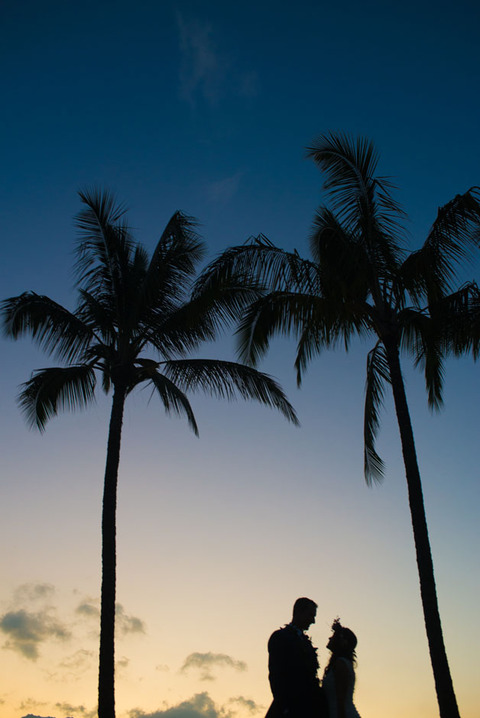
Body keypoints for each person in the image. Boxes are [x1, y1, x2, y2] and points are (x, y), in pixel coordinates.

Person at [266, 597, 327, 718]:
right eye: (310, 615)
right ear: (298, 612)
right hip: (289, 707)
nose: (313, 621)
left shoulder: (305, 642)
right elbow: (275, 675)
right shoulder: (280, 637)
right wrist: (285, 707)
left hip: (307, 707)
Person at [322, 618, 361, 718]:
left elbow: (341, 700)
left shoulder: (341, 664)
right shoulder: (339, 663)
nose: (330, 638)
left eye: (333, 636)